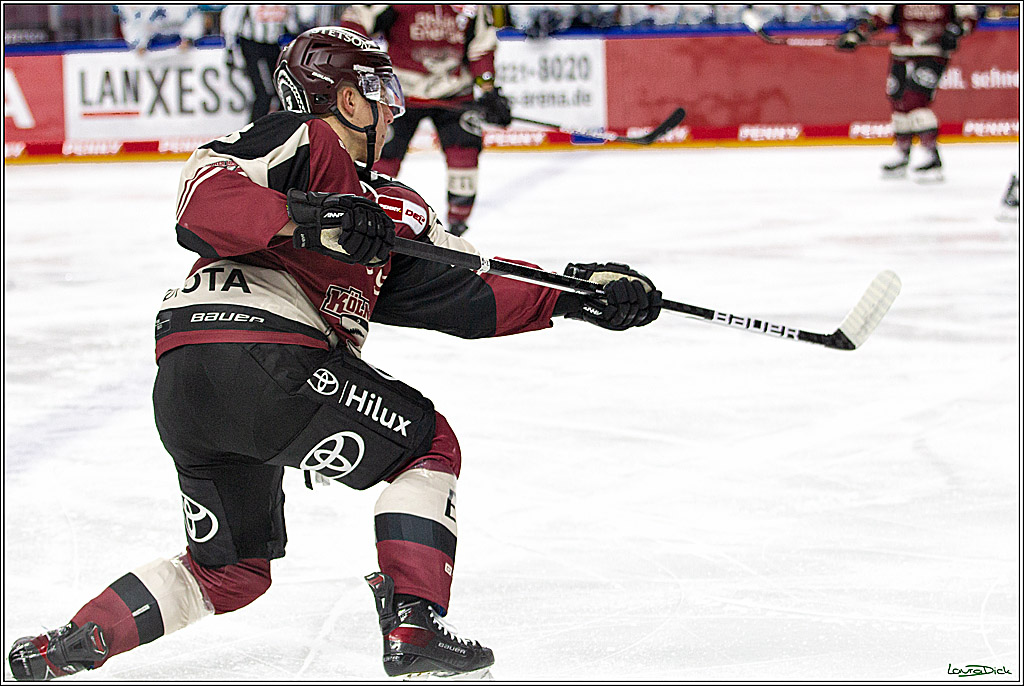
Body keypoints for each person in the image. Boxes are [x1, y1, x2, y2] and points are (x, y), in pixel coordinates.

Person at [6, 26, 661, 681]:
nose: (392, 109)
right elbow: (200, 198)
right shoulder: (304, 137)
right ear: (348, 101)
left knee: (230, 572)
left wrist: (579, 293)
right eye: (380, 92)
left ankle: (74, 641)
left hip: (186, 384)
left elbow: (472, 293)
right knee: (427, 447)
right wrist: (307, 215)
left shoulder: (389, 212)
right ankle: (415, 624)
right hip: (268, 357)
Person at [342, 5, 513, 237]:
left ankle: (457, 228)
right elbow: (356, 23)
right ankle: (367, 213)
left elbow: (481, 44)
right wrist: (356, 64)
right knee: (380, 155)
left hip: (455, 92)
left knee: (464, 153)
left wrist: (487, 87)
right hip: (402, 91)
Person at [836, 4, 979, 181]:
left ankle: (931, 156)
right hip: (902, 53)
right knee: (898, 102)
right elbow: (881, 18)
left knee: (915, 101)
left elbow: (969, 19)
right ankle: (902, 155)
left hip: (932, 53)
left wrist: (954, 31)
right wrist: (856, 34)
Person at [220, 4, 315, 122]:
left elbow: (293, 25)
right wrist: (231, 50)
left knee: (283, 92)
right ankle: (253, 135)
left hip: (273, 45)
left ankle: (279, 129)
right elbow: (231, 21)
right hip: (252, 44)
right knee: (263, 94)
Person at [114, 5, 204, 56]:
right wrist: (139, 43)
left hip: (184, 50)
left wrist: (188, 38)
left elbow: (194, 16)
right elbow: (130, 23)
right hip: (150, 50)